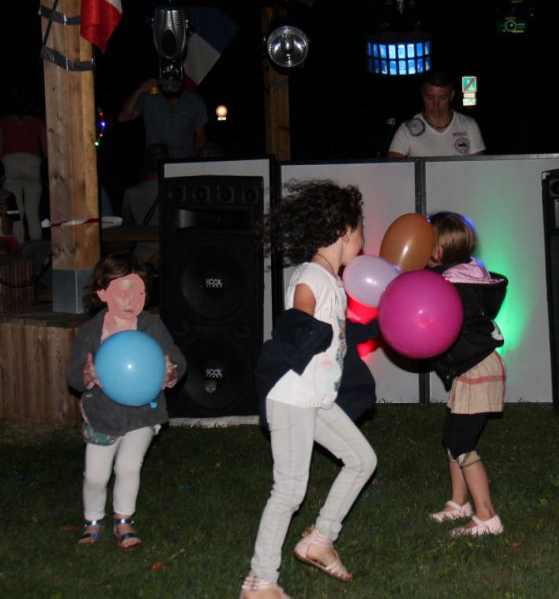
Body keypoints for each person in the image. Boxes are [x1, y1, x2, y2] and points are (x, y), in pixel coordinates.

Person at [241, 180, 377, 599]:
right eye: (361, 230)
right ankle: (259, 580)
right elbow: (300, 311)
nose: (363, 238)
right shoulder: (312, 277)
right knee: (289, 489)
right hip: (292, 398)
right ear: (344, 232)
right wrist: (303, 326)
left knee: (361, 459)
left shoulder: (332, 280)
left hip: (316, 399)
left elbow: (340, 333)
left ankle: (320, 538)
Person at [65, 252, 185, 551]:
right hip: (102, 415)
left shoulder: (151, 327)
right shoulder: (92, 332)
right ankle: (93, 520)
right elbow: (73, 376)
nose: (133, 299)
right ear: (102, 293)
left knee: (129, 466)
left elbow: (177, 360)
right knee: (96, 475)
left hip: (143, 413)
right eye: (123, 292)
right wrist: (87, 375)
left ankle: (123, 520)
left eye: (140, 292)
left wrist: (171, 372)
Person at [425, 211, 508, 537]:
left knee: (459, 443)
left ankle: (487, 516)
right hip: (474, 366)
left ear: (439, 251)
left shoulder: (449, 285)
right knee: (453, 438)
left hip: (476, 367)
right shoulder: (463, 275)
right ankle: (459, 504)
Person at [387, 70, 485, 158]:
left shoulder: (468, 125)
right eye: (430, 98)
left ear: (451, 96)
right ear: (422, 95)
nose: (436, 104)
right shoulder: (407, 130)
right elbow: (393, 169)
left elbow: (479, 167)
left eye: (442, 98)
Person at [0, 93, 46, 243]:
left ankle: (19, 247)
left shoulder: (3, 122)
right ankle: (36, 247)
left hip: (10, 162)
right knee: (33, 212)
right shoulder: (37, 122)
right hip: (32, 162)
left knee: (16, 210)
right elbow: (45, 148)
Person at [118, 78, 208, 159]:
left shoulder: (194, 100)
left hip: (183, 164)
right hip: (155, 164)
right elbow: (123, 117)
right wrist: (140, 89)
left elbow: (200, 135)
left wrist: (197, 162)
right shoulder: (149, 97)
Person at [121, 143, 168, 263]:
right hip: (169, 251)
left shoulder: (131, 192)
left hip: (142, 255)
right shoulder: (177, 192)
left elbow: (126, 223)